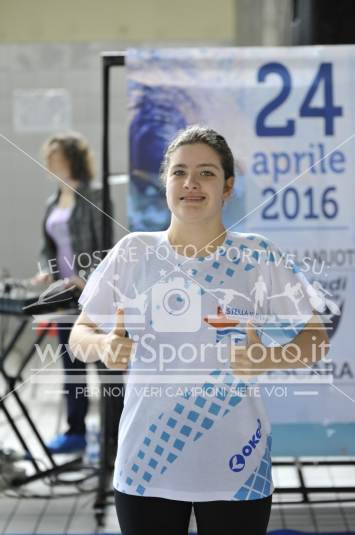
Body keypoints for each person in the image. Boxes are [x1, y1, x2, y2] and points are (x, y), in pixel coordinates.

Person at [69, 126, 329, 535]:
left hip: (238, 469)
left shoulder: (257, 255)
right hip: (144, 465)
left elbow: (315, 337)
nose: (190, 183)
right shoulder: (134, 251)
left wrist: (273, 357)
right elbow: (79, 334)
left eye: (206, 173)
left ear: (227, 188)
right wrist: (102, 344)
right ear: (165, 184)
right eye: (179, 172)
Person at [32, 131, 112, 454]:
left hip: (91, 294)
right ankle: (75, 432)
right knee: (72, 367)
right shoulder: (53, 201)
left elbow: (105, 248)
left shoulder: (94, 197)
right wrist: (46, 272)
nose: (52, 164)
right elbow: (47, 246)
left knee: (103, 369)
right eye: (49, 159)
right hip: (63, 296)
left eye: (58, 158)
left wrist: (86, 278)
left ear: (72, 160)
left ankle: (110, 439)